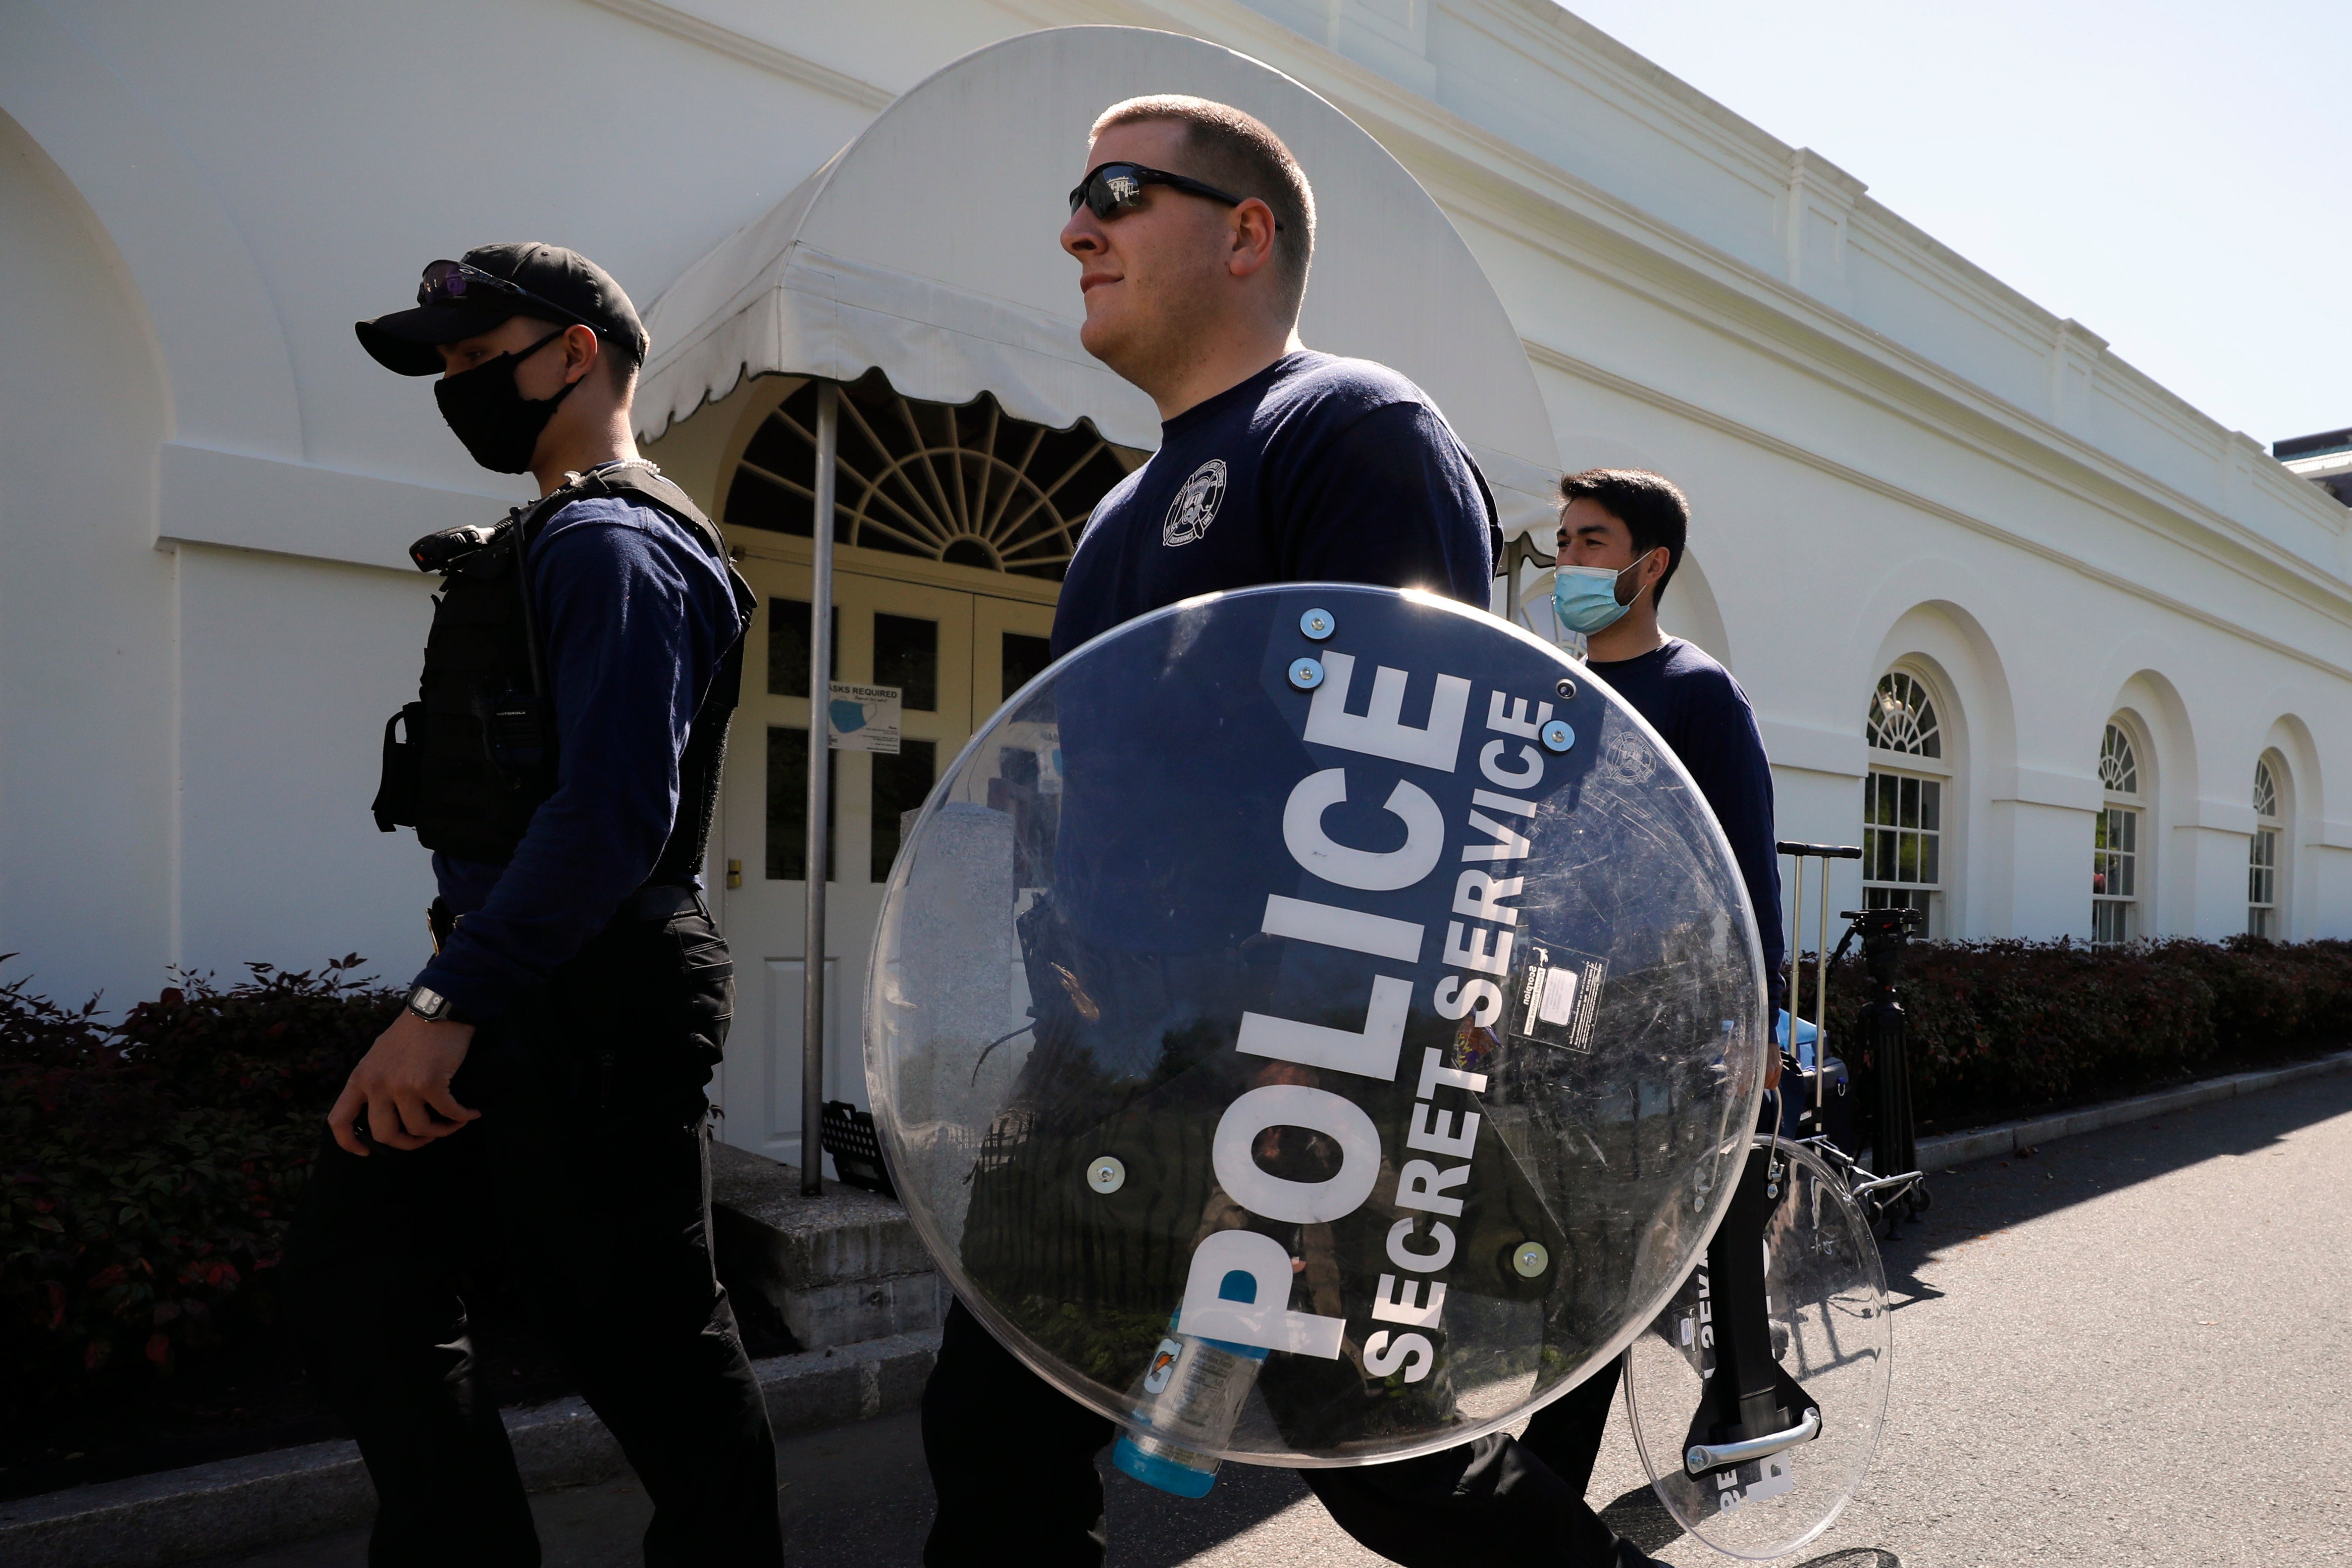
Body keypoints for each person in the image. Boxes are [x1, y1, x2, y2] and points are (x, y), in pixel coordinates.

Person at [916, 94, 1672, 1568]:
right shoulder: (1117, 507)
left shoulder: (1345, 430)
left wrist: (1286, 1115)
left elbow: (1413, 791)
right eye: (1075, 198)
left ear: (1244, 232)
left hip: (1285, 1071)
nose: (1076, 227)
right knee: (994, 1443)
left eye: (1118, 193)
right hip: (1107, 1068)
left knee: (1398, 1473)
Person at [284, 243, 779, 1567]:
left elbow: (613, 817)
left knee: (650, 1350)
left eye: (473, 358)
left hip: (593, 990)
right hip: (519, 972)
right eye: (441, 368)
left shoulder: (616, 543)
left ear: (574, 353)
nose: (455, 387)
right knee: (361, 1275)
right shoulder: (557, 536)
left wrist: (447, 1004)